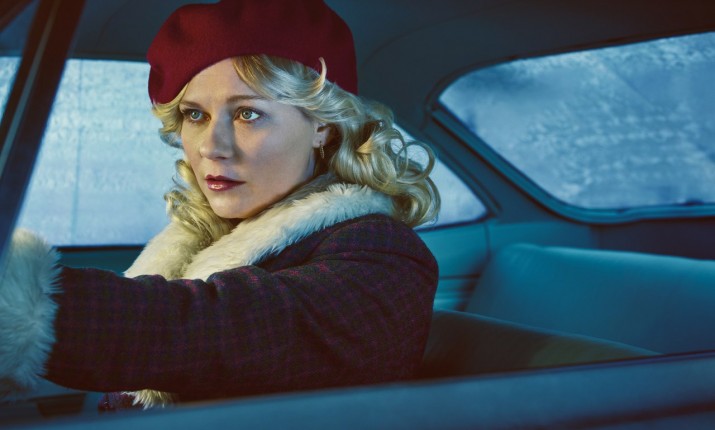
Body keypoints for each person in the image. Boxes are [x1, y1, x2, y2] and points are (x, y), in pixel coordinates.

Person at [0, 0, 439, 410]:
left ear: (322, 125)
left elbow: (223, 329)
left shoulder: (384, 255)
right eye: (195, 115)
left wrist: (31, 304)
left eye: (248, 113)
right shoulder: (203, 241)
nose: (212, 146)